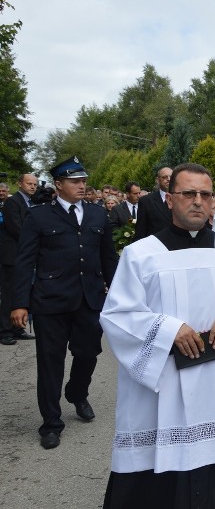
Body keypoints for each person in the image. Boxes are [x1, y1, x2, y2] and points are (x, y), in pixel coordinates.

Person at [98, 162, 215, 508]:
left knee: (214, 473)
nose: (197, 201)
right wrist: (169, 329)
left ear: (213, 202)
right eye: (188, 193)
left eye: (205, 195)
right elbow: (117, 315)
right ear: (169, 200)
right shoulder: (141, 254)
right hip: (160, 385)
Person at [11, 157, 118, 450]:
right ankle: (51, 422)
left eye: (83, 180)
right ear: (59, 185)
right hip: (51, 301)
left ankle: (76, 392)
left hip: (89, 298)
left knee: (88, 353)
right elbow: (24, 261)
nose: (82, 185)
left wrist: (123, 293)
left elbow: (109, 257)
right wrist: (19, 303)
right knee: (50, 363)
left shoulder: (98, 215)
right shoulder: (39, 217)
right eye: (75, 181)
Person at [0, 173, 39, 345]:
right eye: (29, 183)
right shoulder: (12, 202)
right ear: (20, 184)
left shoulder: (30, 202)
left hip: (24, 255)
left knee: (21, 292)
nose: (32, 187)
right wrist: (36, 239)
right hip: (12, 255)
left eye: (35, 184)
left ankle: (17, 328)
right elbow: (16, 228)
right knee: (8, 294)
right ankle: (5, 330)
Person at [134, 167, 172, 241]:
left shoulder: (183, 198)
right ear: (158, 180)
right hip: (156, 246)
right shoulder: (146, 201)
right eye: (164, 177)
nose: (169, 179)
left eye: (171, 177)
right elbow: (140, 231)